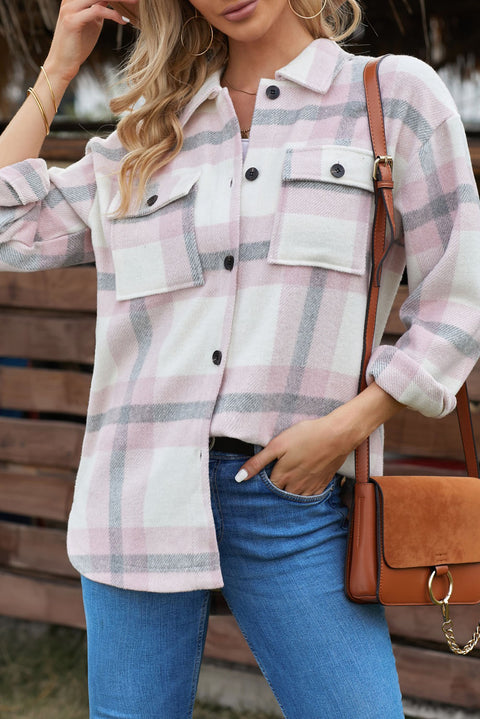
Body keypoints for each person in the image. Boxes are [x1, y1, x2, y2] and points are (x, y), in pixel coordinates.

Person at [1, 0, 480, 716]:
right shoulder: (150, 132)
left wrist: (345, 429)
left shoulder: (392, 99)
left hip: (292, 497)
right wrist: (59, 65)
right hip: (137, 498)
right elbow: (8, 226)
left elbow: (459, 300)